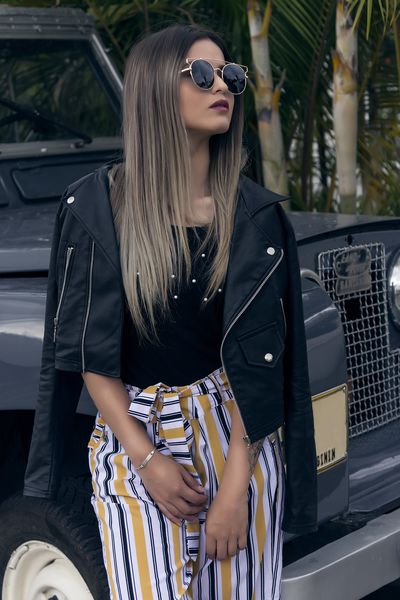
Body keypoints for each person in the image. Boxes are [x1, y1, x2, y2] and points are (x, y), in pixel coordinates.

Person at [23, 22, 318, 600]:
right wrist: (146, 459)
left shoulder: (256, 217)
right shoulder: (97, 208)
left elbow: (263, 364)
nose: (223, 86)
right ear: (156, 87)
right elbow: (89, 353)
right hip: (131, 433)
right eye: (202, 74)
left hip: (237, 435)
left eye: (230, 75)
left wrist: (236, 488)